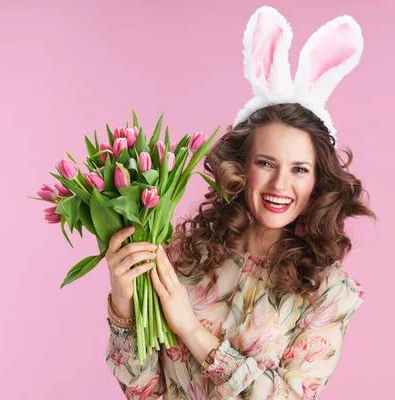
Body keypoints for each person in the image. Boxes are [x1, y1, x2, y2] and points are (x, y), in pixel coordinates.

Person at [104, 6, 376, 400]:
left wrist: (193, 332)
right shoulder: (182, 257)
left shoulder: (329, 291)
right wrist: (123, 298)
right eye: (266, 163)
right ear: (241, 166)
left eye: (300, 169)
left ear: (318, 182)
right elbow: (142, 390)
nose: (280, 184)